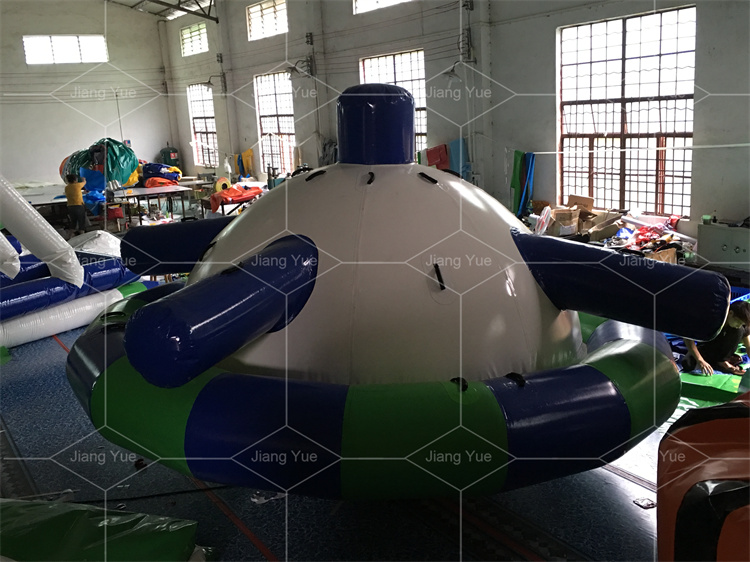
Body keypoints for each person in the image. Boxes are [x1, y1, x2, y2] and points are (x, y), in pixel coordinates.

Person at [683, 300, 750, 375]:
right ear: (730, 313)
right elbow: (687, 338)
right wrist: (700, 360)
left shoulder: (740, 327)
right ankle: (719, 362)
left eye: (742, 323)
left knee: (740, 330)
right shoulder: (712, 319)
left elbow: (749, 346)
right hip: (706, 348)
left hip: (722, 355)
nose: (739, 325)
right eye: (738, 322)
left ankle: (723, 361)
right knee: (688, 364)